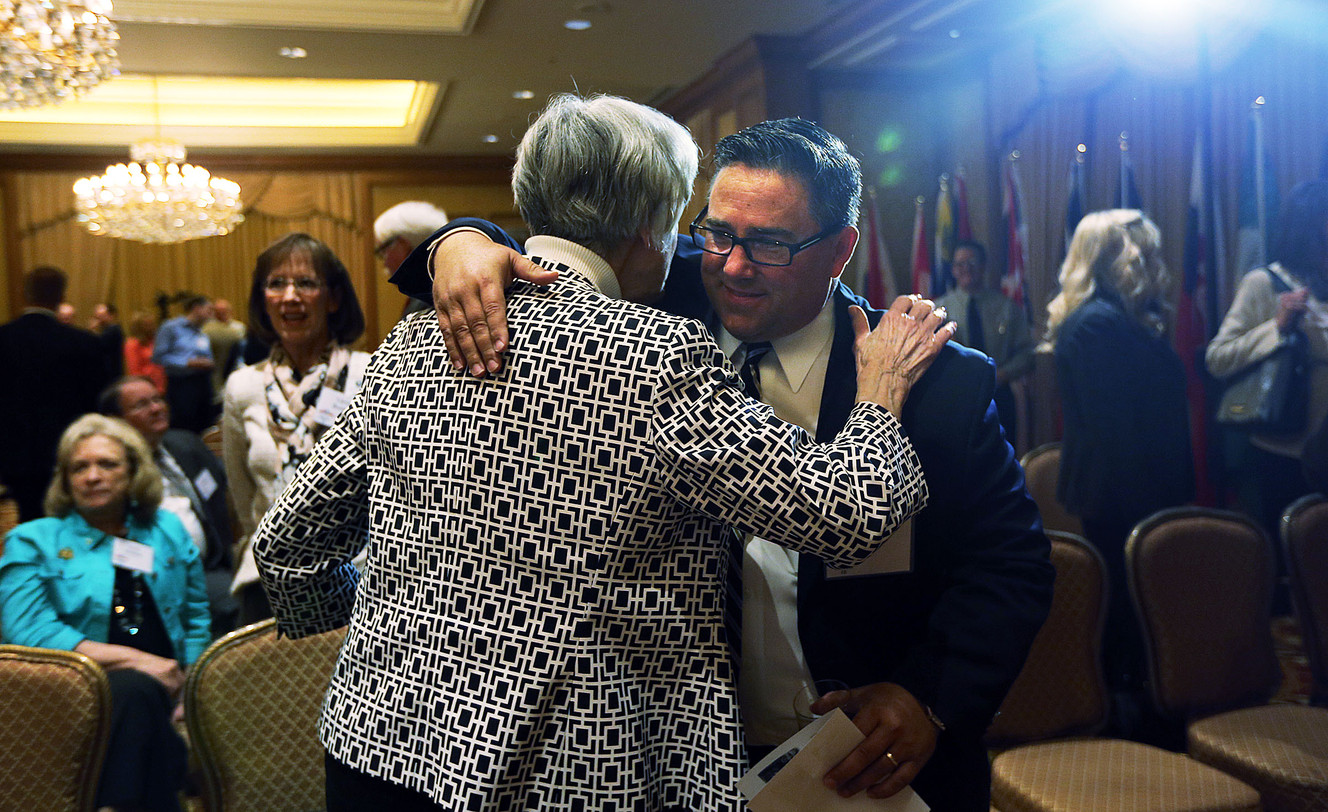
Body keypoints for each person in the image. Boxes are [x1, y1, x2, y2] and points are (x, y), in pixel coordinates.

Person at [255, 95, 948, 812]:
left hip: (372, 750)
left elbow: (285, 548)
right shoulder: (652, 354)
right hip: (568, 774)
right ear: (652, 227)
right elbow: (850, 512)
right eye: (685, 221)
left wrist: (399, 628)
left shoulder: (413, 340)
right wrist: (881, 392)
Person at [396, 118, 1053, 810]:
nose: (732, 266)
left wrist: (930, 696)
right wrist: (462, 241)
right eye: (715, 232)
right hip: (674, 763)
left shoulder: (932, 382)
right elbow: (567, 233)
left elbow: (1012, 565)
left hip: (867, 763)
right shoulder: (660, 304)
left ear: (839, 250)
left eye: (770, 243)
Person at [0, 414, 210, 812]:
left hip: (170, 690)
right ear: (65, 480)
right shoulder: (33, 540)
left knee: (147, 703)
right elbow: (25, 630)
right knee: (135, 688)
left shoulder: (165, 528)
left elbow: (196, 616)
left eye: (107, 464)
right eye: (79, 467)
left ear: (133, 471)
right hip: (69, 695)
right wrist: (141, 662)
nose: (92, 476)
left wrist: (192, 688)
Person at [1045, 209, 1193, 738]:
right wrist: (1160, 513)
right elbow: (1117, 433)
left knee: (1136, 615)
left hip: (1136, 494)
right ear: (1119, 259)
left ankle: (1140, 713)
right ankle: (1126, 726)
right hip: (1125, 498)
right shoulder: (1098, 324)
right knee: (1126, 618)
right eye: (1146, 254)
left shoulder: (1114, 318)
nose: (1156, 264)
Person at [223, 232, 368, 625]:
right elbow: (243, 496)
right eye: (276, 284)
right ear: (262, 299)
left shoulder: (370, 373)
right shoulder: (242, 387)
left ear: (333, 298)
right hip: (267, 581)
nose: (290, 297)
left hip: (361, 581)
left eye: (306, 283)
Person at [1207, 180, 1328, 545]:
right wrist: (1275, 328)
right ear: (1311, 226)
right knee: (1285, 559)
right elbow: (1218, 358)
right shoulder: (1264, 282)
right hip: (1284, 448)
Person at [99, 375, 238, 636]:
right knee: (232, 603)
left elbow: (220, 499)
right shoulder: (110, 468)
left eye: (158, 399)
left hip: (212, 565)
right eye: (141, 405)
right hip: (150, 577)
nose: (156, 408)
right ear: (114, 420)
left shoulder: (186, 444)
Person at [0, 267, 112, 521]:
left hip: (17, 454)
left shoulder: (3, 339)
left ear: (26, 294)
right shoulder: (85, 343)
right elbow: (99, 403)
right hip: (73, 450)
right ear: (61, 296)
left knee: (32, 519)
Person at [936, 239, 1034, 447]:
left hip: (999, 395)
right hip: (957, 398)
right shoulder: (938, 311)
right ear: (953, 270)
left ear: (983, 266)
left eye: (972, 263)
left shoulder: (1007, 307)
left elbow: (1027, 353)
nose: (966, 269)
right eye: (960, 265)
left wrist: (1002, 374)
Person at [374, 201, 450, 320]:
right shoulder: (438, 290)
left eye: (384, 250)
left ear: (404, 245)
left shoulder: (427, 303)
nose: (384, 262)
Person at [153, 295, 216, 433]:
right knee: (184, 427)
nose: (212, 314)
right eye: (209, 310)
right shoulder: (170, 327)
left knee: (206, 426)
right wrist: (188, 363)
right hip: (181, 385)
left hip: (203, 383)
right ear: (196, 308)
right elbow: (159, 357)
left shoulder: (203, 331)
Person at [202, 298, 246, 403]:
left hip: (236, 368)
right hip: (215, 370)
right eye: (218, 311)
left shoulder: (239, 327)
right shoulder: (207, 328)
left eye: (224, 310)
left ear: (230, 311)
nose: (222, 313)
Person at [124, 310, 168, 393]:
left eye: (152, 324)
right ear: (139, 327)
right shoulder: (132, 343)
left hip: (164, 385)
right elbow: (135, 371)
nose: (152, 327)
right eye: (147, 325)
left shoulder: (155, 340)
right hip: (147, 387)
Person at [90, 302, 126, 378]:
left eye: (101, 316)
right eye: (97, 317)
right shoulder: (107, 331)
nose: (99, 319)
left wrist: (92, 330)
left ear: (111, 315)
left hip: (111, 373)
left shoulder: (113, 331)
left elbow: (97, 346)